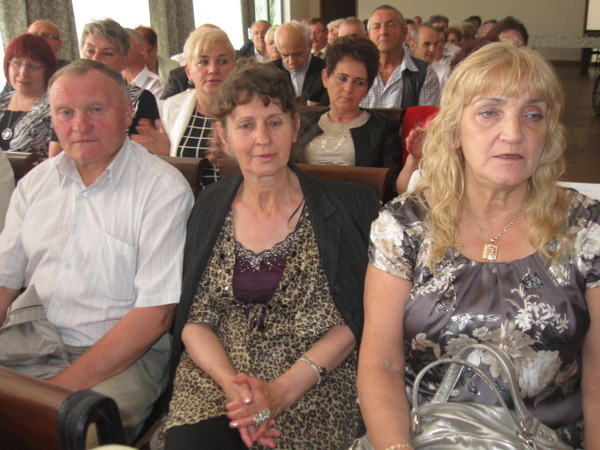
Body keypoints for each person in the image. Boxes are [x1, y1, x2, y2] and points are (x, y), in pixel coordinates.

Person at [358, 43, 599, 450]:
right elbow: (381, 363)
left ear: (548, 133)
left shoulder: (586, 228)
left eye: (533, 114)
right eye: (490, 112)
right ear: (454, 130)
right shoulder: (404, 227)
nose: (514, 133)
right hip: (422, 436)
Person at [163, 59, 380, 450]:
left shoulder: (349, 208)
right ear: (224, 135)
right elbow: (194, 319)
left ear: (295, 127)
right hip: (217, 380)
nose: (262, 138)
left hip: (314, 382)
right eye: (246, 125)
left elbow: (354, 319)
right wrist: (235, 388)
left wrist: (280, 392)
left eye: (275, 122)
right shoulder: (209, 205)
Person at [0, 59, 193, 443]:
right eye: (65, 112)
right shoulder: (35, 184)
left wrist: (52, 395)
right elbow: (4, 284)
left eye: (96, 110)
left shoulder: (162, 190)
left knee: (75, 436)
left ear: (127, 113)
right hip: (30, 338)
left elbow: (154, 316)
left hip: (123, 357)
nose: (80, 125)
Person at [136, 27, 235, 185]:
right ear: (188, 72)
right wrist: (165, 157)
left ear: (234, 68)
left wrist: (235, 162)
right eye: (203, 62)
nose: (213, 69)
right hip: (186, 198)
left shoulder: (248, 109)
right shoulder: (173, 106)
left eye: (222, 61)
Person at [294, 37, 401, 176]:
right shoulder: (304, 121)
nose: (348, 89)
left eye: (359, 82)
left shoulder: (384, 127)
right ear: (325, 78)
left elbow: (390, 181)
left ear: (368, 87)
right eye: (342, 78)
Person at [79, 18, 160, 136]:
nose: (96, 58)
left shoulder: (140, 100)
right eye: (90, 51)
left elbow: (142, 144)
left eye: (107, 53)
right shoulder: (67, 95)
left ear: (123, 62)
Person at [361, 5, 440, 109]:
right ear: (368, 36)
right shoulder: (357, 70)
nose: (383, 32)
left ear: (404, 32)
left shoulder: (424, 73)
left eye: (390, 26)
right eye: (377, 27)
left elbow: (425, 118)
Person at [0, 33, 58, 157]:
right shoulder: (2, 101)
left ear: (47, 70)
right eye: (17, 63)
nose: (23, 73)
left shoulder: (56, 108)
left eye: (32, 66)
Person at [273, 21, 326, 105]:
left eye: (297, 54)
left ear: (309, 45)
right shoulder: (270, 72)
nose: (291, 61)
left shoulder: (325, 68)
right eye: (285, 55)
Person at [123, 29, 164, 100]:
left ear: (142, 49)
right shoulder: (111, 81)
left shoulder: (156, 84)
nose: (119, 49)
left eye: (124, 44)